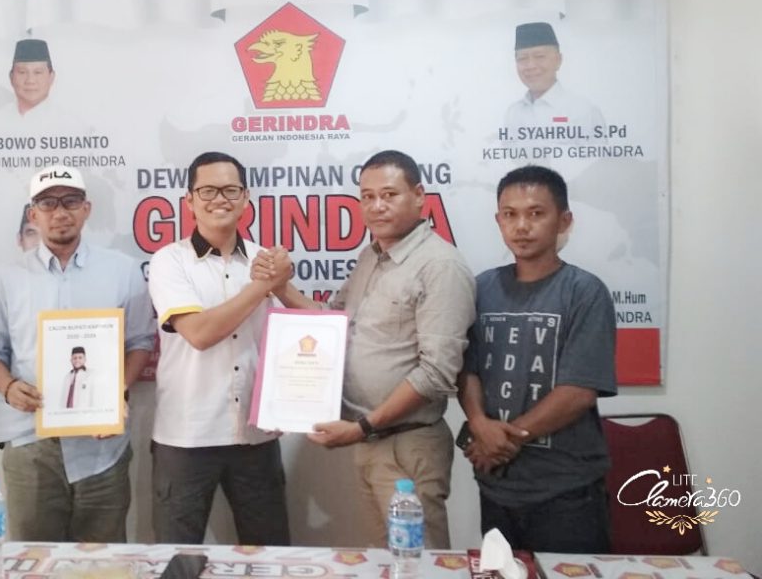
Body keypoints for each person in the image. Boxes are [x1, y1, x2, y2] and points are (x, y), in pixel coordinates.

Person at [256, 149, 475, 549]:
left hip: (406, 443)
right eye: (367, 196)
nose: (376, 206)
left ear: (419, 196)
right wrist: (280, 287)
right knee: (386, 559)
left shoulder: (440, 266)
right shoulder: (371, 257)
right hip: (371, 440)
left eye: (389, 195)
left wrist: (362, 427)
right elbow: (331, 323)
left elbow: (436, 374)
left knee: (417, 562)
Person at [0, 165, 155, 542]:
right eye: (48, 203)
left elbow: (140, 342)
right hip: (30, 443)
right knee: (33, 560)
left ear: (86, 209)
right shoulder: (6, 277)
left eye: (71, 201)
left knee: (102, 562)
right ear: (33, 214)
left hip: (101, 445)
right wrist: (8, 387)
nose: (60, 212)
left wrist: (115, 392)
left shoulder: (122, 271)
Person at [457, 165, 616, 552]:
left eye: (536, 213)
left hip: (566, 490)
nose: (522, 226)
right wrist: (478, 423)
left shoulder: (585, 292)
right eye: (510, 214)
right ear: (498, 221)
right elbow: (467, 370)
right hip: (496, 483)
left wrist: (502, 439)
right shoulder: (482, 287)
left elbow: (578, 392)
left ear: (564, 220)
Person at [147, 151, 292, 546]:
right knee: (178, 557)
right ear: (189, 201)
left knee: (269, 555)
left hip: (256, 434)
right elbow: (199, 333)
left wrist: (282, 285)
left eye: (230, 190)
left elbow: (310, 329)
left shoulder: (266, 261)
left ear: (246, 198)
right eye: (207, 191)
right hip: (187, 436)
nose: (219, 200)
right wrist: (262, 287)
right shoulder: (169, 261)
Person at [503, 22, 605, 137]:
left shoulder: (584, 111)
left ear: (558, 60)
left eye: (540, 57)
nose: (531, 66)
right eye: (522, 58)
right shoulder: (513, 113)